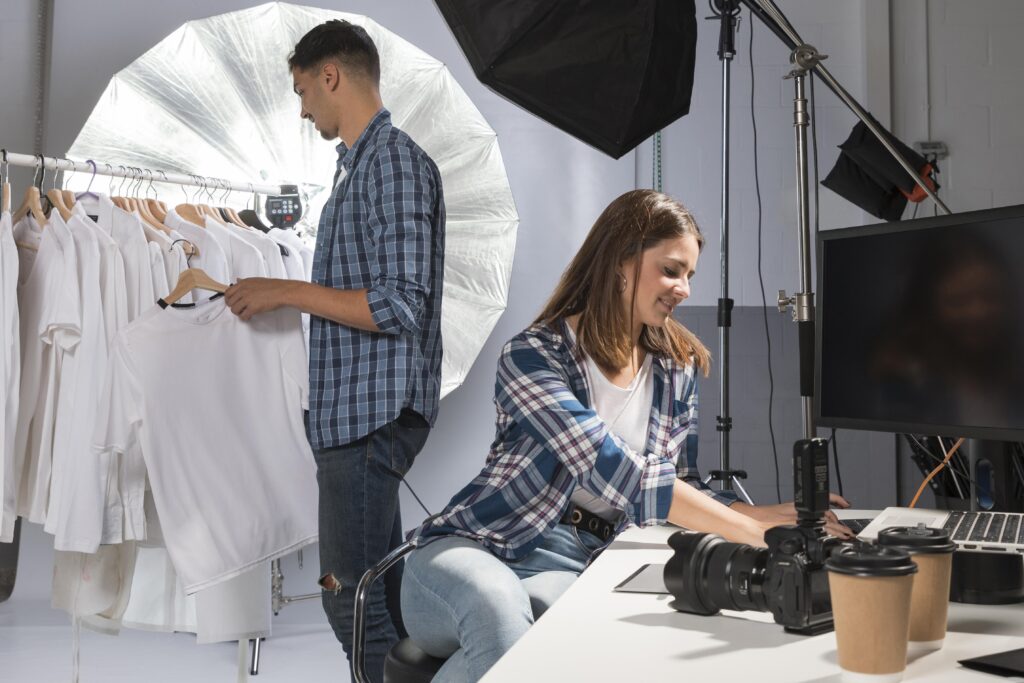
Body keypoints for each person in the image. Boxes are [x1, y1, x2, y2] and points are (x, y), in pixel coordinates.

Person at [400, 190, 850, 682]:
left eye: (690, 276)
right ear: (621, 261)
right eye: (671, 269)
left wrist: (758, 513)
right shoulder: (534, 355)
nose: (683, 288)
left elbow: (682, 484)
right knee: (496, 606)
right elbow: (612, 467)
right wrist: (751, 533)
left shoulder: (675, 372)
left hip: (571, 561)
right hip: (475, 546)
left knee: (552, 643)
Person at [223, 19, 445, 682]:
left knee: (345, 597)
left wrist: (285, 290)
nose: (301, 108)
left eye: (302, 90)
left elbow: (401, 304)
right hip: (353, 419)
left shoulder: (393, 162)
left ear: (331, 75)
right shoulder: (356, 170)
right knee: (382, 594)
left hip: (368, 422)